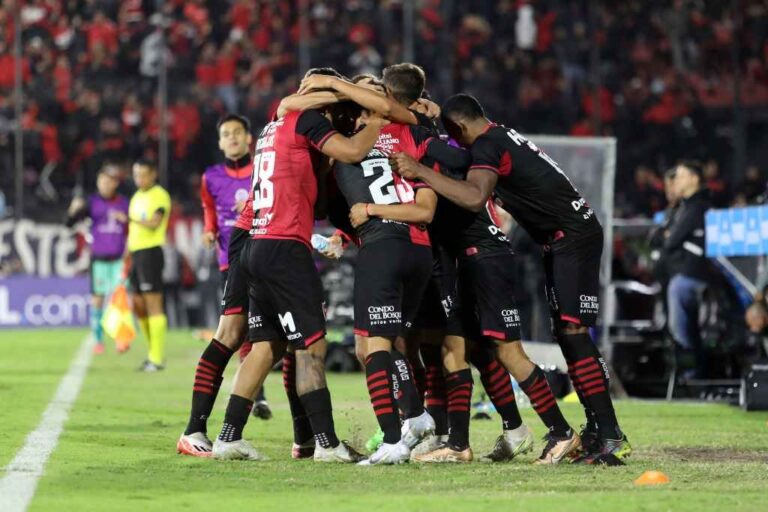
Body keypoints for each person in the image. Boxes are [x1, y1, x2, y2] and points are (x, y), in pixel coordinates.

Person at [391, 93, 631, 465]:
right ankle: (598, 431)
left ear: (461, 127)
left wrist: (420, 171)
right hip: (562, 238)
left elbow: (473, 196)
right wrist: (436, 123)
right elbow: (458, 154)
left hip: (572, 237)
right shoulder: (495, 137)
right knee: (565, 336)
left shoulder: (487, 145)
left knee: (573, 334)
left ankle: (607, 434)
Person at [210, 72, 388, 463]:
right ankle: (326, 444)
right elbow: (354, 152)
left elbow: (317, 201)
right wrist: (376, 122)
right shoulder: (307, 120)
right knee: (311, 348)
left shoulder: (273, 126)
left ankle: (227, 436)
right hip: (284, 250)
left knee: (265, 347)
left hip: (256, 246)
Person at [200, 113, 271, 421]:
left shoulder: (261, 169)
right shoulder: (210, 176)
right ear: (219, 142)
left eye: (237, 132)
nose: (231, 137)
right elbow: (208, 208)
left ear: (248, 139)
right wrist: (209, 229)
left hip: (264, 257)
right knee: (240, 330)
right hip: (230, 262)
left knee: (261, 329)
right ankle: (257, 395)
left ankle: (257, 394)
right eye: (226, 133)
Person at [66, 165, 129, 354]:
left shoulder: (125, 203)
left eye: (108, 181)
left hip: (119, 259)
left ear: (116, 183)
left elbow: (133, 229)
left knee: (120, 300)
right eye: (101, 181)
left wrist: (128, 220)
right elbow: (69, 223)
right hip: (98, 260)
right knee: (97, 300)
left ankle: (121, 337)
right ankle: (98, 340)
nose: (104, 184)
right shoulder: (91, 202)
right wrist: (73, 209)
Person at [659, 161, 712, 379]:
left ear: (694, 179)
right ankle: (689, 369)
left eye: (681, 176)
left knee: (681, 327)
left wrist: (669, 238)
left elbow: (671, 240)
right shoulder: (683, 207)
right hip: (678, 274)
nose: (676, 181)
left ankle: (689, 370)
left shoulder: (697, 206)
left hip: (691, 276)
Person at [126, 160, 171, 372]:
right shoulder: (136, 197)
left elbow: (154, 223)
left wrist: (131, 219)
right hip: (136, 254)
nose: (140, 179)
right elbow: (132, 232)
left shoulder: (159, 195)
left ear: (153, 174)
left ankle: (156, 357)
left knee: (153, 303)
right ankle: (152, 351)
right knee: (137, 303)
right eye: (136, 175)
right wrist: (126, 257)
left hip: (151, 253)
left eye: (144, 174)